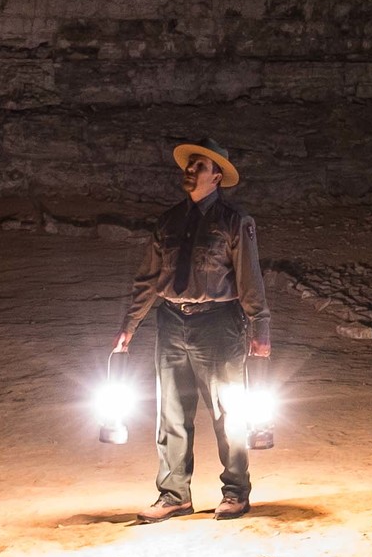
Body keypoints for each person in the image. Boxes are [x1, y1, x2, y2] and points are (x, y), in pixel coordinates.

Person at [114, 141, 270, 522]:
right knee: (170, 412)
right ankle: (173, 495)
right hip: (170, 321)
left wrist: (260, 327)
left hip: (218, 324)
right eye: (189, 165)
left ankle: (235, 492)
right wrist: (128, 326)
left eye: (199, 166)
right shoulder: (168, 221)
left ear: (217, 176)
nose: (189, 170)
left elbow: (250, 277)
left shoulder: (235, 221)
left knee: (228, 411)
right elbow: (147, 278)